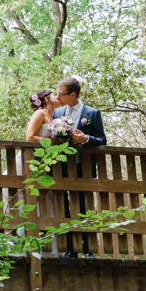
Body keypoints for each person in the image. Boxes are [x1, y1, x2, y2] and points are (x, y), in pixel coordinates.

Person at [51, 77, 106, 258]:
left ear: (72, 95)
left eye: (61, 94)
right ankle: (70, 248)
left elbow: (102, 140)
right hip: (62, 166)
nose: (58, 97)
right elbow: (53, 138)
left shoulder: (92, 113)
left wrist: (86, 139)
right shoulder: (57, 113)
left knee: (84, 206)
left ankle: (88, 249)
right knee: (64, 206)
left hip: (84, 166)